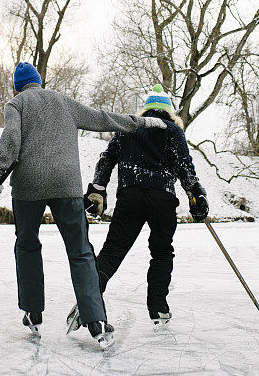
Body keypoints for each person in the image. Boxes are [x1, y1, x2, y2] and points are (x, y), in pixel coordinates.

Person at [0, 62, 167, 348]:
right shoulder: (62, 101)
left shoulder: (16, 104)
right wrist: (141, 122)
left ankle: (33, 312)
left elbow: (11, 141)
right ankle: (96, 320)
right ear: (39, 81)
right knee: (80, 250)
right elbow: (102, 119)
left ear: (18, 86)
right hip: (65, 184)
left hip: (28, 186)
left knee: (27, 245)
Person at [66, 84, 209, 332]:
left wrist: (98, 188)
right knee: (162, 252)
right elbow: (184, 165)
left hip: (131, 196)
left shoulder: (129, 128)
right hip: (162, 198)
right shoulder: (174, 131)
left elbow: (107, 157)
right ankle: (158, 307)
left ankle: (87, 301)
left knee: (112, 251)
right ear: (168, 111)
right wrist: (195, 193)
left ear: (147, 110)